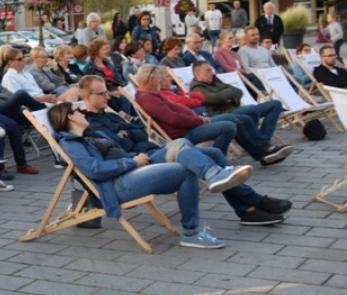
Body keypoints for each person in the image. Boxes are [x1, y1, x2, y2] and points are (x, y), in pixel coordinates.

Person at [78, 76, 291, 226]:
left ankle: (247, 209)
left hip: (152, 152)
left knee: (215, 154)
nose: (108, 96)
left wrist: (128, 131)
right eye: (102, 93)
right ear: (86, 96)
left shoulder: (112, 115)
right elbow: (119, 149)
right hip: (139, 163)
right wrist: (129, 135)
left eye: (107, 92)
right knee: (181, 144)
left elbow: (139, 133)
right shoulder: (88, 125)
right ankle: (253, 201)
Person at [47, 103, 225, 249]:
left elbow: (118, 153)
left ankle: (215, 174)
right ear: (70, 117)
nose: (83, 112)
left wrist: (135, 158)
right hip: (118, 184)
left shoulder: (87, 137)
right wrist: (132, 162)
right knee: (185, 170)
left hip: (131, 168)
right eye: (78, 110)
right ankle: (192, 233)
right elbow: (94, 169)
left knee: (180, 143)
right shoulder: (70, 143)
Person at [188, 61, 292, 166]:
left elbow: (238, 91)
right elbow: (218, 98)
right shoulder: (197, 89)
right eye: (208, 70)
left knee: (275, 105)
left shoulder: (215, 80)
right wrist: (227, 94)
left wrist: (228, 97)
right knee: (249, 113)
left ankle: (263, 144)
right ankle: (264, 148)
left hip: (234, 108)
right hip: (223, 113)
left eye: (211, 70)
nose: (212, 72)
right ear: (198, 74)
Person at [133, 65, 240, 154]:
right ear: (151, 80)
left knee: (231, 118)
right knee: (228, 127)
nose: (160, 81)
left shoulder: (151, 95)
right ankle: (216, 158)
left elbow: (176, 109)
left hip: (189, 126)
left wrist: (196, 118)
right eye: (159, 78)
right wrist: (198, 120)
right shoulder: (148, 99)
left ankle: (217, 156)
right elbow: (174, 119)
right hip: (183, 134)